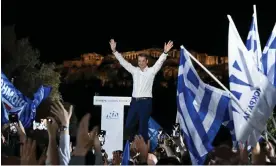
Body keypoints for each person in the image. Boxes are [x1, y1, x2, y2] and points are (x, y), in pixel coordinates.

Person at [109, 39, 173, 143]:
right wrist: (115, 51)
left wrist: (165, 52)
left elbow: (159, 63)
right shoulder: (134, 71)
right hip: (134, 102)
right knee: (128, 125)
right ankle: (130, 147)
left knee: (143, 127)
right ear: (137, 62)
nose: (141, 63)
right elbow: (123, 62)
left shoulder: (151, 71)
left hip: (145, 102)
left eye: (143, 61)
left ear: (147, 61)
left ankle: (144, 152)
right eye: (139, 61)